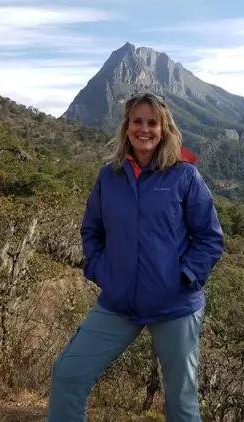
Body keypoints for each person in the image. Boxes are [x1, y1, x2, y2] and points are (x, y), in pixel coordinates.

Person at [47, 93, 224, 422]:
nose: (145, 129)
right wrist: (102, 272)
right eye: (137, 121)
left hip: (175, 305)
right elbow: (92, 230)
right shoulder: (109, 176)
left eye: (152, 123)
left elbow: (209, 237)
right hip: (119, 302)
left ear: (164, 128)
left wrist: (184, 278)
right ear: (126, 127)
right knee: (68, 373)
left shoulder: (183, 176)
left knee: (181, 402)